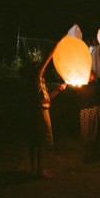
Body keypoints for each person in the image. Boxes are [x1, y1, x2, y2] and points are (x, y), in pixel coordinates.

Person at [28, 45, 67, 179]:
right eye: (39, 67)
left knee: (35, 142)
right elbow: (45, 62)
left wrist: (59, 89)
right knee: (39, 142)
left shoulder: (41, 83)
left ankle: (34, 169)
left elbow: (47, 99)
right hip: (39, 113)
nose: (42, 69)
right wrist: (56, 46)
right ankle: (39, 170)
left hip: (41, 111)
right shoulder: (36, 78)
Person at [75, 70, 100, 163]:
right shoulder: (81, 85)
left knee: (94, 131)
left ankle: (92, 152)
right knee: (86, 132)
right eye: (91, 75)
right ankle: (87, 153)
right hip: (85, 110)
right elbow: (77, 96)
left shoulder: (96, 85)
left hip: (93, 109)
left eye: (92, 75)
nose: (92, 76)